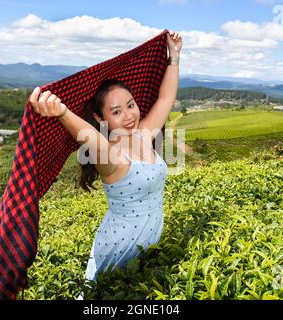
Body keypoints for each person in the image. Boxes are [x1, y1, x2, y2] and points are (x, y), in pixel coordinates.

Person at [29, 31, 182, 286]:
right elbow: (89, 137)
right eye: (116, 111)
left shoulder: (144, 134)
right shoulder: (111, 156)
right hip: (119, 249)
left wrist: (174, 57)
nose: (129, 115)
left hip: (148, 245)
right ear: (101, 119)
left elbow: (166, 98)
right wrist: (62, 112)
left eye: (131, 105)